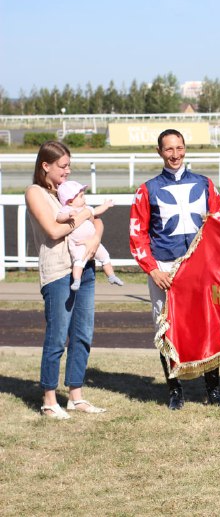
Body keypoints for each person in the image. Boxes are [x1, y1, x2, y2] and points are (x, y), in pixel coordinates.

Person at [129, 129, 220, 410]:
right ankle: (175, 390)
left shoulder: (205, 184)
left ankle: (213, 391)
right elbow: (137, 235)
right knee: (166, 330)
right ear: (159, 152)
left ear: (185, 148)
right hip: (164, 269)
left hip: (200, 268)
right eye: (168, 149)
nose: (175, 155)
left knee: (207, 325)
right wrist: (152, 270)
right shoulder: (146, 189)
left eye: (179, 148)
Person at [26, 141, 106, 419]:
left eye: (69, 165)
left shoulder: (66, 191)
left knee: (83, 335)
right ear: (45, 166)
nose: (68, 171)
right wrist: (85, 213)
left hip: (85, 269)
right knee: (58, 338)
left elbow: (95, 220)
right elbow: (53, 230)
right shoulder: (35, 192)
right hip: (57, 272)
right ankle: (49, 399)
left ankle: (75, 396)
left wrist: (95, 236)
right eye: (63, 166)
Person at [56, 180, 124, 291]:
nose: (84, 198)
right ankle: (77, 280)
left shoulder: (86, 209)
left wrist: (105, 205)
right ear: (70, 201)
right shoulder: (67, 209)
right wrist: (68, 215)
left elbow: (96, 211)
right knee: (79, 261)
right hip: (78, 244)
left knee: (105, 257)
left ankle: (111, 276)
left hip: (93, 241)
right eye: (81, 196)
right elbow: (59, 218)